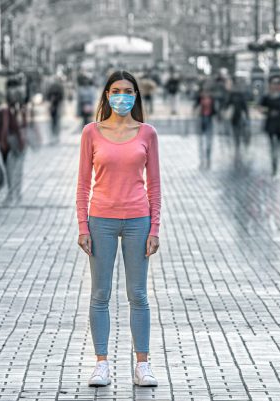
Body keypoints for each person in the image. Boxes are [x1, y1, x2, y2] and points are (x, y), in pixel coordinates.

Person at [76, 70, 162, 388]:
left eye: (128, 91)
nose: (122, 96)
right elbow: (84, 183)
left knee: (138, 295)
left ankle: (143, 364)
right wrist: (83, 225)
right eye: (116, 91)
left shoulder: (147, 133)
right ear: (107, 95)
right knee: (100, 295)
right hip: (101, 220)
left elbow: (154, 184)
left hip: (138, 219)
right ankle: (101, 363)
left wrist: (154, 228)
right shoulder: (92, 132)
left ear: (135, 95)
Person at [194, 84, 217, 169]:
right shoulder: (199, 99)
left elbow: (214, 110)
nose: (205, 93)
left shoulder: (212, 99)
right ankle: (201, 160)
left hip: (209, 121)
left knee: (208, 142)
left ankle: (208, 159)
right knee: (201, 143)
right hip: (201, 121)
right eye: (203, 91)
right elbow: (194, 108)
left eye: (207, 91)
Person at [259, 75, 280, 143]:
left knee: (279, 140)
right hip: (270, 120)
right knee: (271, 140)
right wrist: (268, 112)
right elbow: (260, 107)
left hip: (279, 121)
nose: (276, 86)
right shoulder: (266, 96)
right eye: (274, 83)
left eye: (278, 84)